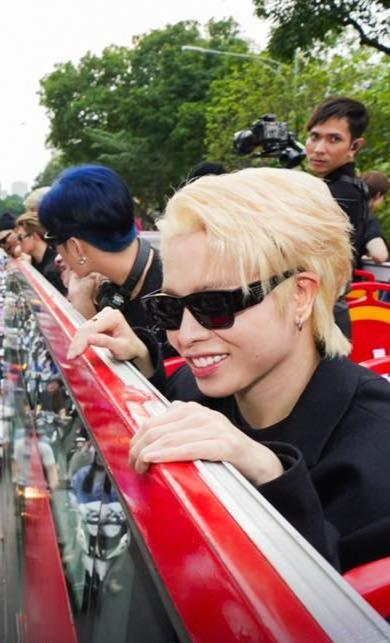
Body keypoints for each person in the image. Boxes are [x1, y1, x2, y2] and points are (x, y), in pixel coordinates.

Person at [66, 167, 390, 572]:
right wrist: (142, 363)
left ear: (301, 296)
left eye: (215, 305)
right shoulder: (195, 386)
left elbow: (342, 601)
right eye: (169, 307)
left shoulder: (378, 450)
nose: (186, 336)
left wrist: (269, 474)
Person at [40, 165, 163, 340]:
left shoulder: (172, 292)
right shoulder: (114, 284)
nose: (57, 257)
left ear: (76, 247)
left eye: (53, 241)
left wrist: (82, 307)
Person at [305, 97, 388, 267]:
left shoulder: (341, 193)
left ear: (354, 146)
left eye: (334, 139)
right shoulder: (351, 187)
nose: (319, 149)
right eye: (314, 136)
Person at [15, 210, 66, 295]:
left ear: (34, 236)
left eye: (20, 237)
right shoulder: (35, 263)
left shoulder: (53, 269)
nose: (18, 242)